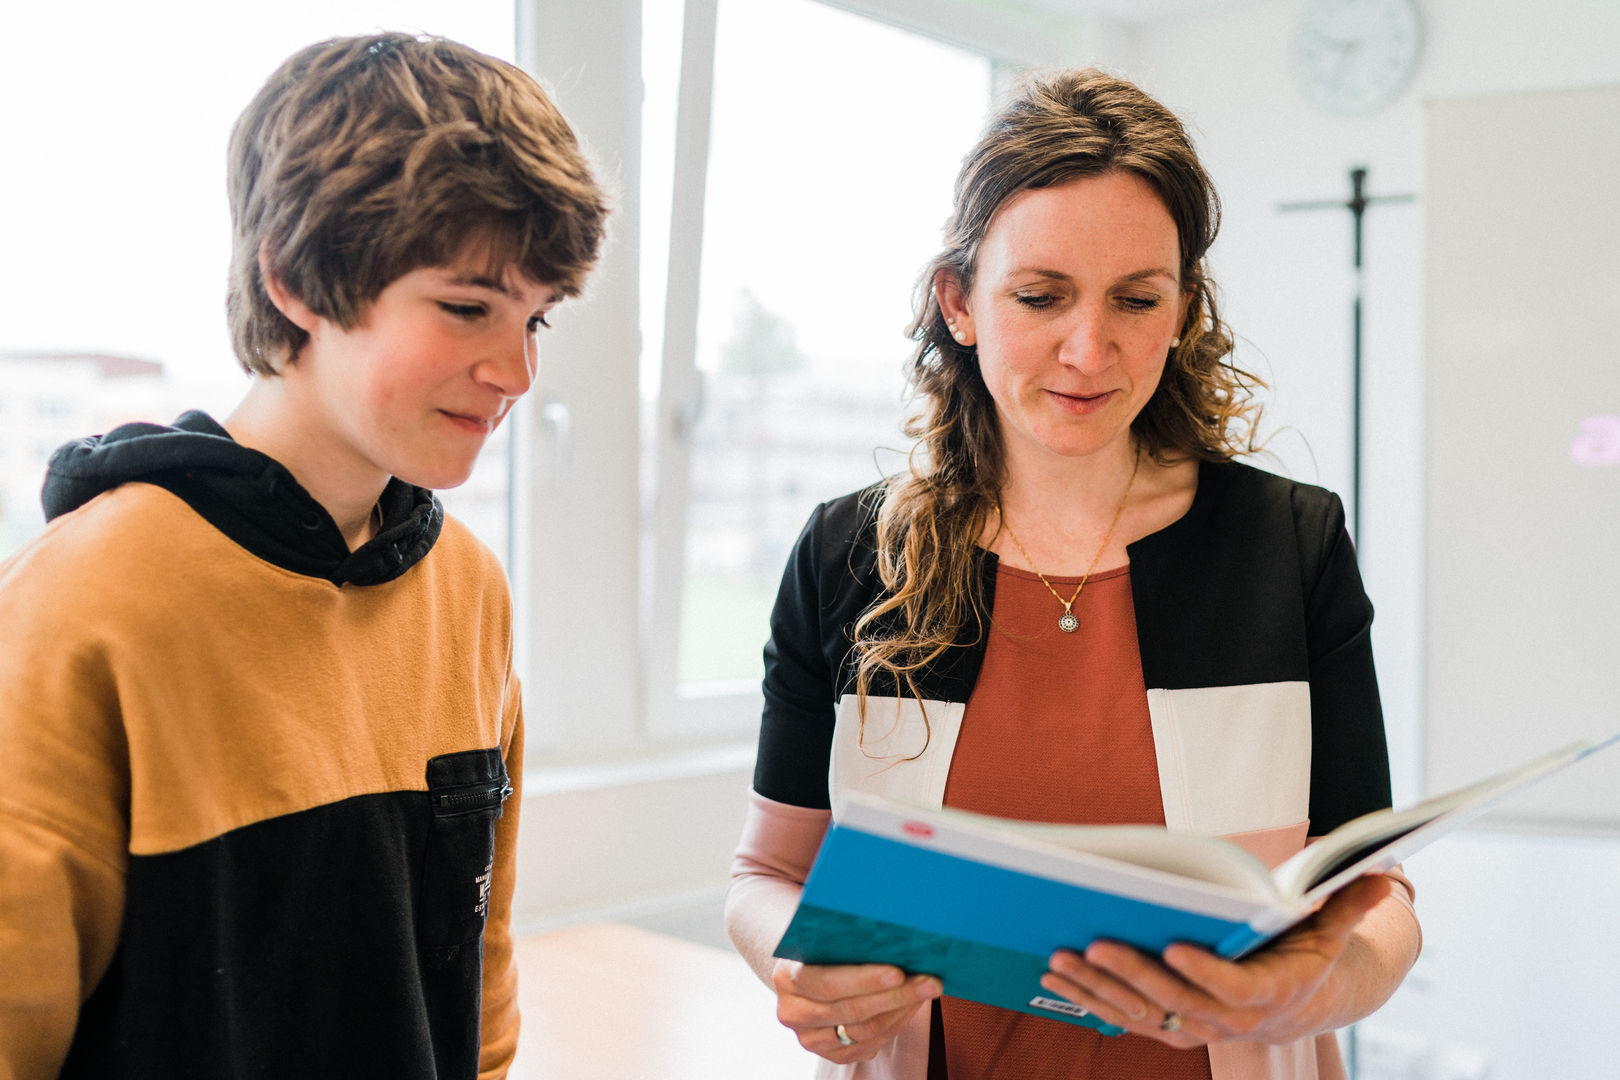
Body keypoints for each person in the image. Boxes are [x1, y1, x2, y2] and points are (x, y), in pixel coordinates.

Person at [725, 68, 1420, 1080]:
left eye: (1138, 299)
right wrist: (798, 968)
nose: (1089, 350)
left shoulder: (1286, 545)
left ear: (1182, 311)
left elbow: (1375, 898)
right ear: (959, 303)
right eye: (1041, 296)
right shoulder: (850, 557)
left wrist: (1312, 992)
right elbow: (767, 873)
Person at [0, 33, 606, 1079]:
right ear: (297, 281)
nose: (514, 370)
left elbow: (480, 973)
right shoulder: (83, 603)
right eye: (466, 306)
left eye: (536, 317)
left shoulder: (467, 590)